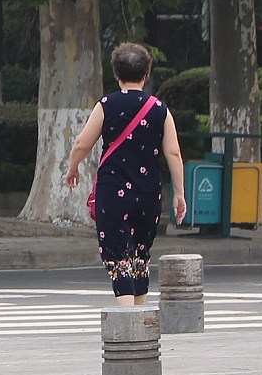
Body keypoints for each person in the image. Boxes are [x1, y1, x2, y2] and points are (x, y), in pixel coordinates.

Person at [61, 43, 187, 304]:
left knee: (118, 257)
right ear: (146, 73)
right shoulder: (160, 109)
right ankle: (140, 318)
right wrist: (180, 193)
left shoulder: (107, 104)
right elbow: (173, 153)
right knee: (140, 255)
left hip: (113, 191)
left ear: (117, 74)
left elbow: (82, 143)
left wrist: (73, 168)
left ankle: (128, 320)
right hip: (148, 192)